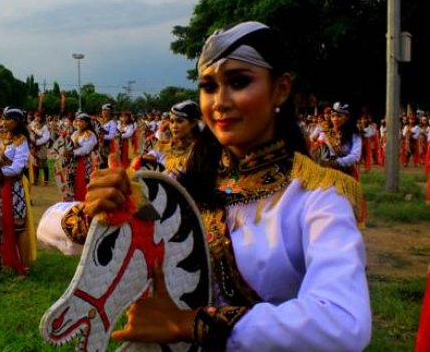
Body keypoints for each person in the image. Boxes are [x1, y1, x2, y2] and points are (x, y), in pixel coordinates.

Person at [69, 21, 370, 351]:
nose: (219, 102)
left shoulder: (317, 196)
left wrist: (188, 323)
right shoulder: (187, 185)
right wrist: (98, 209)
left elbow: (342, 322)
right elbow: (57, 230)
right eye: (208, 87)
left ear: (281, 89)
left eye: (239, 82)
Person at [0, 106, 35, 274]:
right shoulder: (1, 136)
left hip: (13, 187)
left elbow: (17, 167)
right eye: (2, 119)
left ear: (16, 122)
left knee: (18, 225)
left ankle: (23, 267)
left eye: (7, 119)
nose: (3, 122)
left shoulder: (22, 140)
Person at [143, 100, 201, 179]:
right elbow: (155, 154)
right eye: (172, 121)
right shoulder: (164, 146)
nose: (174, 126)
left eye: (179, 121)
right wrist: (150, 156)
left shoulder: (200, 152)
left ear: (193, 123)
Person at [312, 102, 362, 180]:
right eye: (333, 116)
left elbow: (355, 156)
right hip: (326, 172)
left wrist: (336, 163)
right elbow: (318, 147)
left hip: (346, 173)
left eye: (339, 116)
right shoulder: (325, 133)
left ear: (347, 117)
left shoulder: (354, 135)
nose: (335, 119)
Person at [65, 112, 98, 201]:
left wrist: (73, 152)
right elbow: (69, 146)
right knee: (71, 182)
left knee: (82, 183)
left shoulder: (90, 134)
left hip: (84, 162)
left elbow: (86, 149)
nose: (78, 123)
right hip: (72, 163)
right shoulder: (74, 134)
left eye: (81, 121)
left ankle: (82, 202)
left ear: (87, 123)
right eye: (77, 121)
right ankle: (71, 202)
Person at [29, 112, 51, 185]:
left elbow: (46, 137)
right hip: (35, 147)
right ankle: (36, 179)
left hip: (42, 147)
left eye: (38, 116)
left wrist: (37, 142)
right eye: (36, 116)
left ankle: (46, 180)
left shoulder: (44, 126)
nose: (37, 118)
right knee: (36, 163)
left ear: (42, 117)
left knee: (43, 163)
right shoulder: (34, 125)